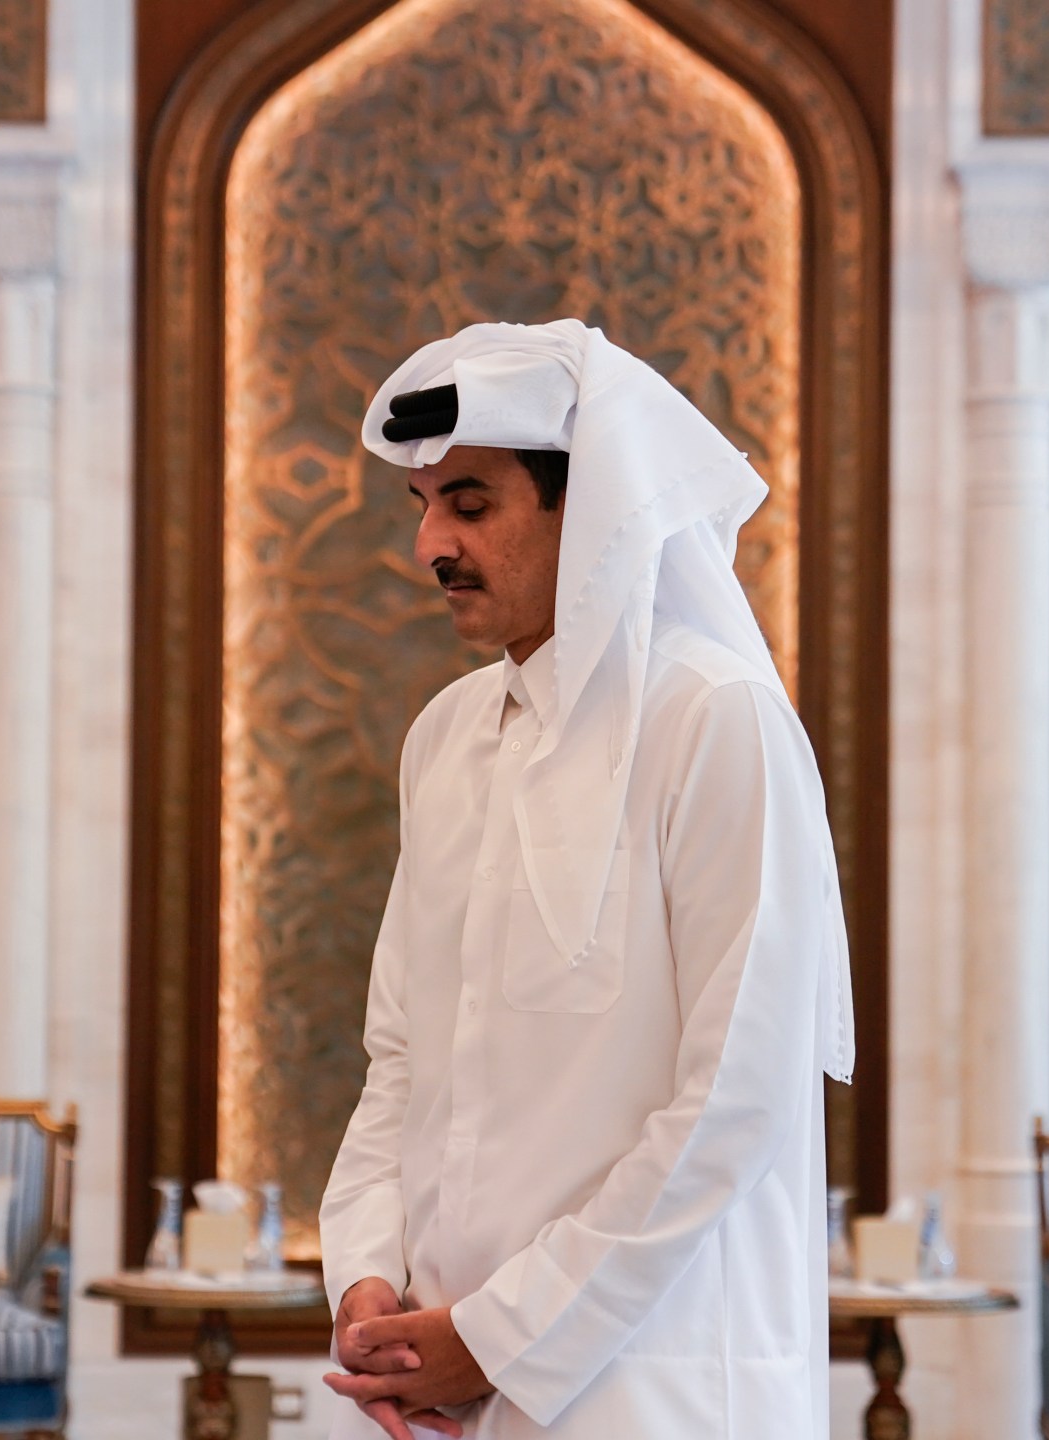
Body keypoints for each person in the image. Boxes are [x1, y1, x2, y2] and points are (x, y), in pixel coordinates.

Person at [317, 319, 855, 1439]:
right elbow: (400, 1062)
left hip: (653, 1386)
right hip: (438, 1389)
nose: (429, 547)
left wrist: (499, 1337)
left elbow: (734, 1102)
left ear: (593, 503)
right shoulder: (444, 736)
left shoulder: (714, 720)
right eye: (419, 508)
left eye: (469, 505)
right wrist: (368, 1283)